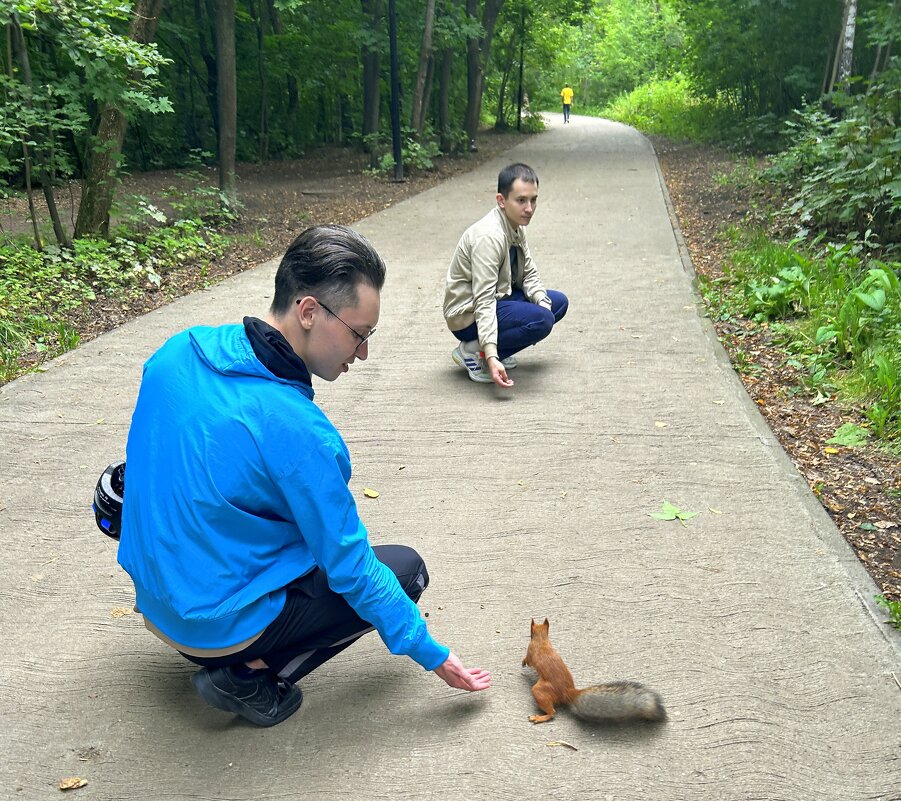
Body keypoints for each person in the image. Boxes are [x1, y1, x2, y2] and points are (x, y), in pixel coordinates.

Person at [117, 225, 491, 727]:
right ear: (309, 311)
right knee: (404, 572)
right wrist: (432, 653)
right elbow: (351, 569)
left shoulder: (175, 352)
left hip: (156, 603)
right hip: (214, 629)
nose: (362, 353)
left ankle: (235, 645)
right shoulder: (300, 431)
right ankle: (250, 676)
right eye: (359, 334)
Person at [443, 163, 569, 388]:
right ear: (501, 200)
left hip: (499, 298)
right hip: (467, 315)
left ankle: (489, 347)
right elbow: (483, 300)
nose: (529, 208)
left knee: (557, 303)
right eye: (521, 200)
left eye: (533, 200)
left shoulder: (516, 226)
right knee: (542, 320)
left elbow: (529, 274)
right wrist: (491, 355)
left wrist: (541, 301)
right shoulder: (489, 237)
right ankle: (474, 352)